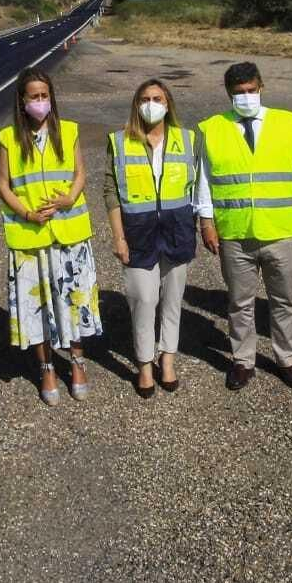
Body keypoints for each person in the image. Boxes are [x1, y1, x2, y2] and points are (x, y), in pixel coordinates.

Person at [197, 62, 292, 390]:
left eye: (251, 90)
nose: (246, 97)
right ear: (229, 94)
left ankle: (287, 359)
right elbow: (205, 180)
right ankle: (243, 361)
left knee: (283, 300)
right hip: (235, 233)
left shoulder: (286, 123)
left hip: (279, 231)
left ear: (261, 87)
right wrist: (206, 222)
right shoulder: (214, 129)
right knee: (239, 302)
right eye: (239, 93)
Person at [0, 68, 102, 405]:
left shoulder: (67, 131)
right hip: (31, 236)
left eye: (45, 95)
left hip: (69, 233)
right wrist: (26, 212)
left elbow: (80, 172)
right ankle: (46, 369)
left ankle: (78, 363)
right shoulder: (8, 138)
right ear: (22, 100)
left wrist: (71, 196)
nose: (40, 102)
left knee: (74, 302)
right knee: (36, 306)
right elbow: (2, 184)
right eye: (33, 96)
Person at [103, 78, 197, 397]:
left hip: (177, 232)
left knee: (172, 301)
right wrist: (118, 237)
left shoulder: (187, 139)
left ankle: (167, 360)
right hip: (137, 233)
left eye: (157, 98)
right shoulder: (119, 141)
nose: (151, 104)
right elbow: (111, 191)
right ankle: (144, 364)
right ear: (136, 105)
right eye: (145, 98)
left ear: (168, 102)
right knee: (143, 300)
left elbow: (197, 187)